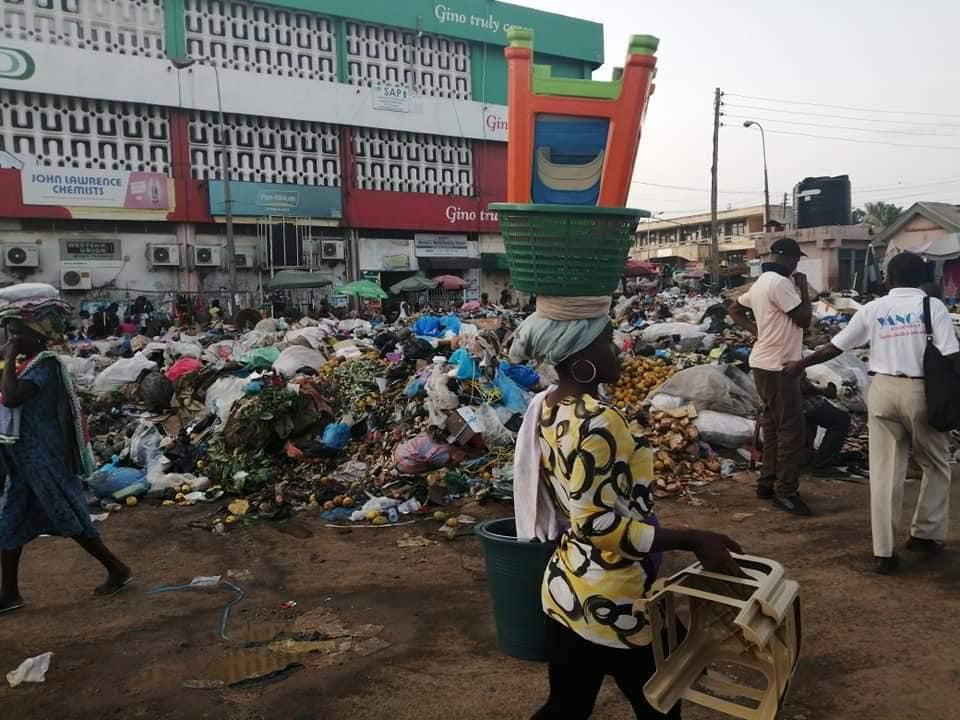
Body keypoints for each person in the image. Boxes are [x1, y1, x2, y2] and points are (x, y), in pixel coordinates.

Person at [510, 299, 743, 719]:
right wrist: (693, 538)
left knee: (567, 706)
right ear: (580, 358)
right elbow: (598, 526)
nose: (617, 350)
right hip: (614, 599)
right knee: (658, 706)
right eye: (606, 342)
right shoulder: (596, 420)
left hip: (570, 586)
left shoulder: (549, 404)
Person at [784, 252, 957, 574]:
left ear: (889, 278)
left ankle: (884, 551)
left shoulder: (873, 309)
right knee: (935, 464)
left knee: (885, 472)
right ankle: (925, 534)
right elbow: (950, 355)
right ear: (922, 278)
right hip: (922, 392)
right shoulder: (932, 307)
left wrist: (799, 365)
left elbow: (835, 347)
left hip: (882, 392)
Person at [0, 295, 132, 615]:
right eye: (9, 333)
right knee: (10, 523)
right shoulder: (29, 364)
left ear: (37, 333)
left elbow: (12, 397)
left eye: (18, 333)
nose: (12, 339)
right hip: (23, 458)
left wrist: (9, 356)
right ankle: (9, 594)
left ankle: (116, 568)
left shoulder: (46, 365)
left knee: (68, 515)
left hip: (43, 456)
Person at [727, 238, 813, 515]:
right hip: (779, 367)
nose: (797, 264)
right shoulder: (780, 283)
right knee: (791, 430)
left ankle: (766, 483)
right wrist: (803, 288)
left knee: (774, 426)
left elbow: (735, 309)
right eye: (796, 260)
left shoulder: (762, 282)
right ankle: (786, 491)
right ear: (787, 259)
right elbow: (804, 318)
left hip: (764, 363)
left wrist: (757, 333)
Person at [801, 376, 851, 476]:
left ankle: (809, 459)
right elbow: (804, 386)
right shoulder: (789, 363)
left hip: (784, 400)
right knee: (841, 419)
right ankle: (822, 464)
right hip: (801, 402)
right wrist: (826, 391)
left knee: (810, 425)